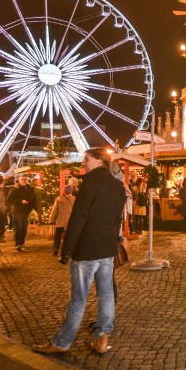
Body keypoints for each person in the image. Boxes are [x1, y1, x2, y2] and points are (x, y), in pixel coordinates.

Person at [33, 147, 126, 356]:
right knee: (107, 295)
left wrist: (66, 250)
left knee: (78, 298)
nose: (83, 163)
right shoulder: (118, 186)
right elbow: (116, 219)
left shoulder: (90, 183)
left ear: (99, 161)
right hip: (107, 249)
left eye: (86, 159)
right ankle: (102, 339)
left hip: (86, 249)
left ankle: (61, 342)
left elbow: (79, 217)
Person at [6, 175, 37, 252]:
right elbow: (9, 200)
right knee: (18, 228)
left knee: (24, 228)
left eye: (25, 179)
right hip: (17, 211)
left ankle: (22, 242)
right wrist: (20, 201)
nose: (24, 181)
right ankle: (18, 244)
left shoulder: (30, 189)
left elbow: (33, 199)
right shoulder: (14, 190)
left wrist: (34, 208)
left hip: (27, 211)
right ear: (18, 181)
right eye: (22, 179)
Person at [49, 185, 75, 256]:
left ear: (64, 191)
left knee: (57, 236)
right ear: (71, 191)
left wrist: (51, 219)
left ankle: (56, 249)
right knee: (68, 237)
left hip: (60, 221)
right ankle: (67, 251)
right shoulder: (74, 199)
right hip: (70, 221)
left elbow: (54, 210)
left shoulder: (58, 199)